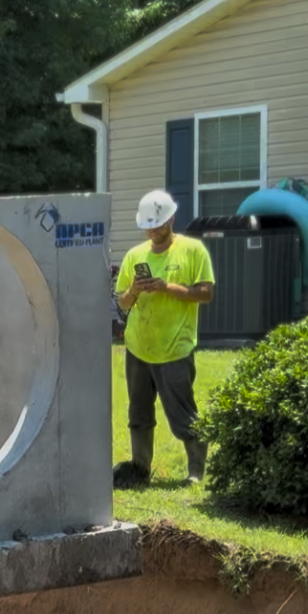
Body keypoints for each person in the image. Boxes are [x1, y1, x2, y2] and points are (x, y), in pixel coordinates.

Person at [112, 189, 215, 487]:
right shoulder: (134, 256)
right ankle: (140, 468)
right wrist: (134, 290)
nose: (153, 231)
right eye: (148, 226)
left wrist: (166, 287)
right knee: (139, 413)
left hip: (175, 348)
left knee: (183, 415)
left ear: (171, 218)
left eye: (158, 225)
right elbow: (122, 303)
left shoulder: (193, 251)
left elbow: (206, 293)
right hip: (138, 347)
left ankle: (196, 471)